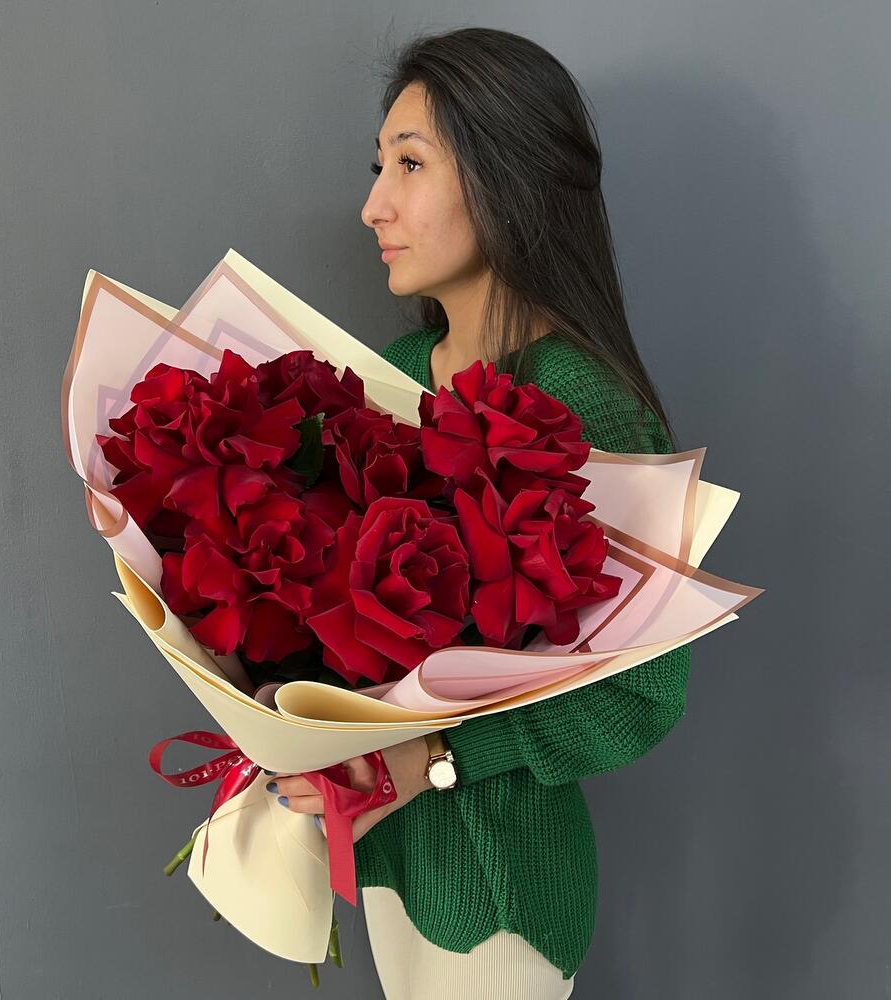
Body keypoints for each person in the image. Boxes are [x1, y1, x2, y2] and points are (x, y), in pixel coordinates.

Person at [263, 26, 691, 999]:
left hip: (500, 883)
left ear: (507, 177)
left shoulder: (583, 402)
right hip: (388, 864)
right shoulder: (389, 378)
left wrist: (438, 756)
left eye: (410, 164)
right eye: (379, 166)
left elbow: (641, 694)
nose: (374, 204)